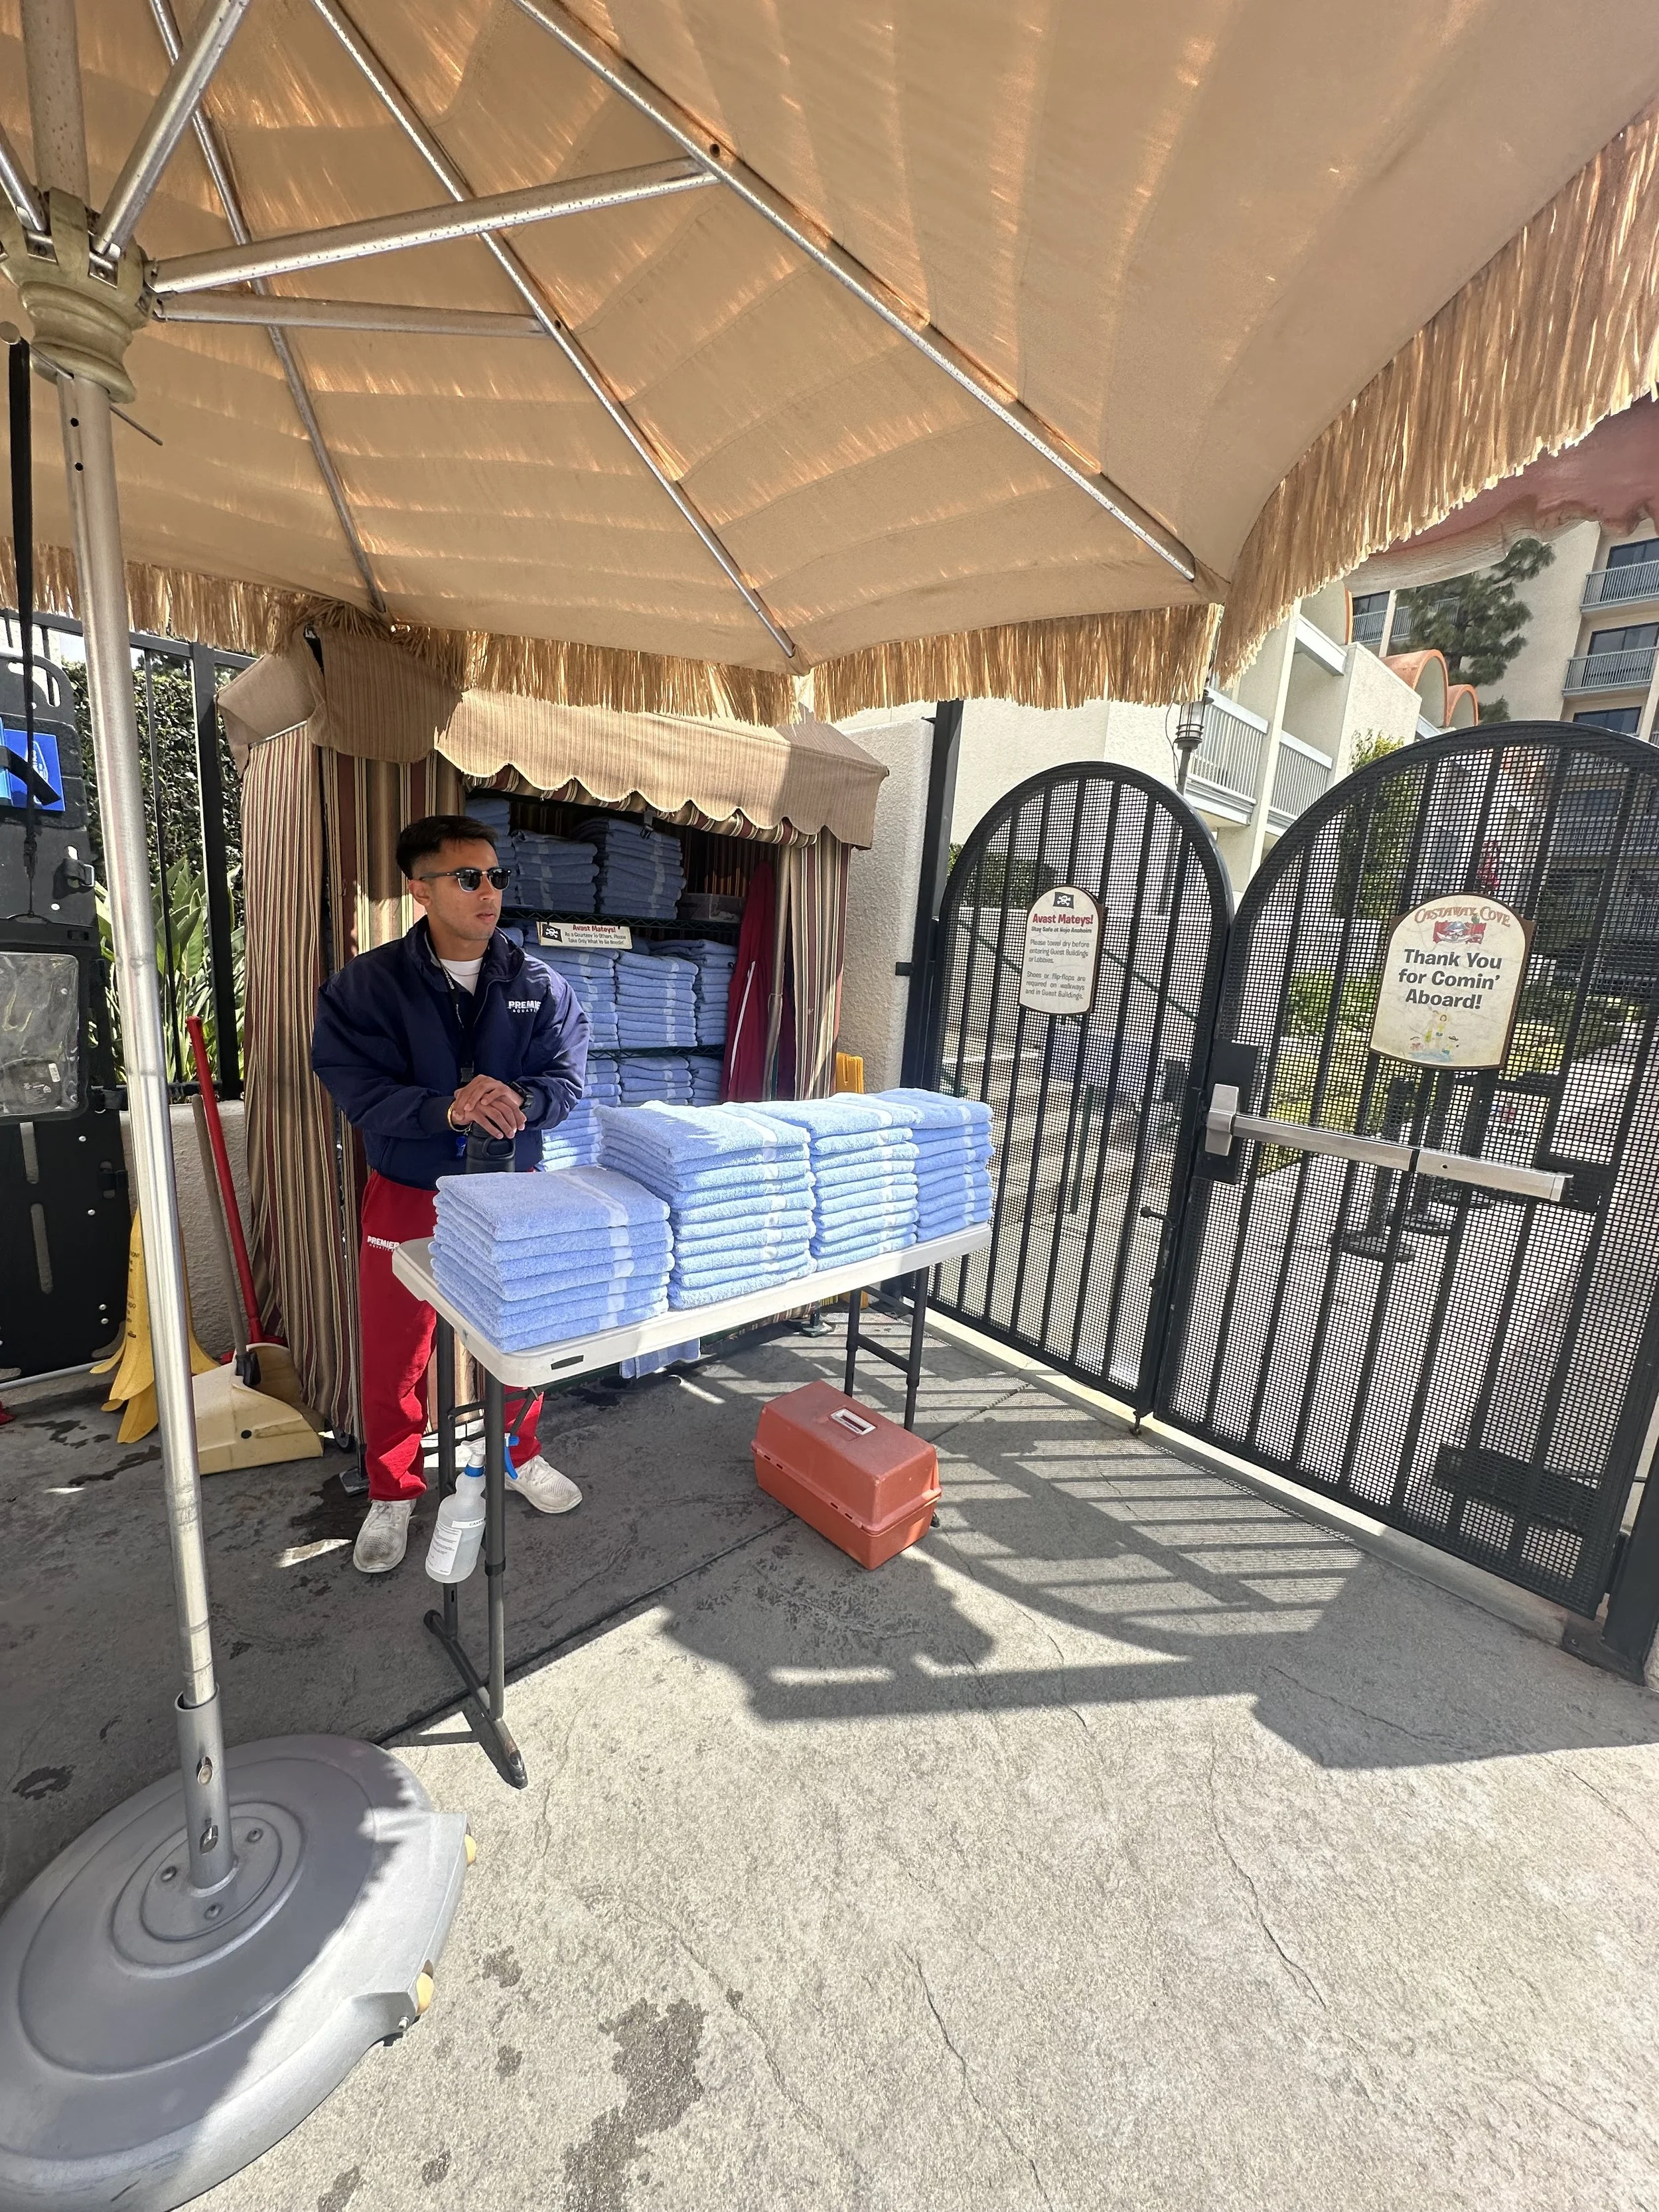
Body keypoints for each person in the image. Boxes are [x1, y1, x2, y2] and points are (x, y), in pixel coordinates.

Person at [311, 812, 591, 1574]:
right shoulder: (365, 988)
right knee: (396, 1350)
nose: (488, 892)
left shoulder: (540, 984)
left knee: (521, 1337)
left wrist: (521, 1103)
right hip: (408, 1189)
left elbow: (566, 1082)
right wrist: (446, 1108)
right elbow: (357, 1090)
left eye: (496, 876)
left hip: (512, 1194)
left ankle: (518, 1453)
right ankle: (393, 1491)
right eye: (468, 878)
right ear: (419, 891)